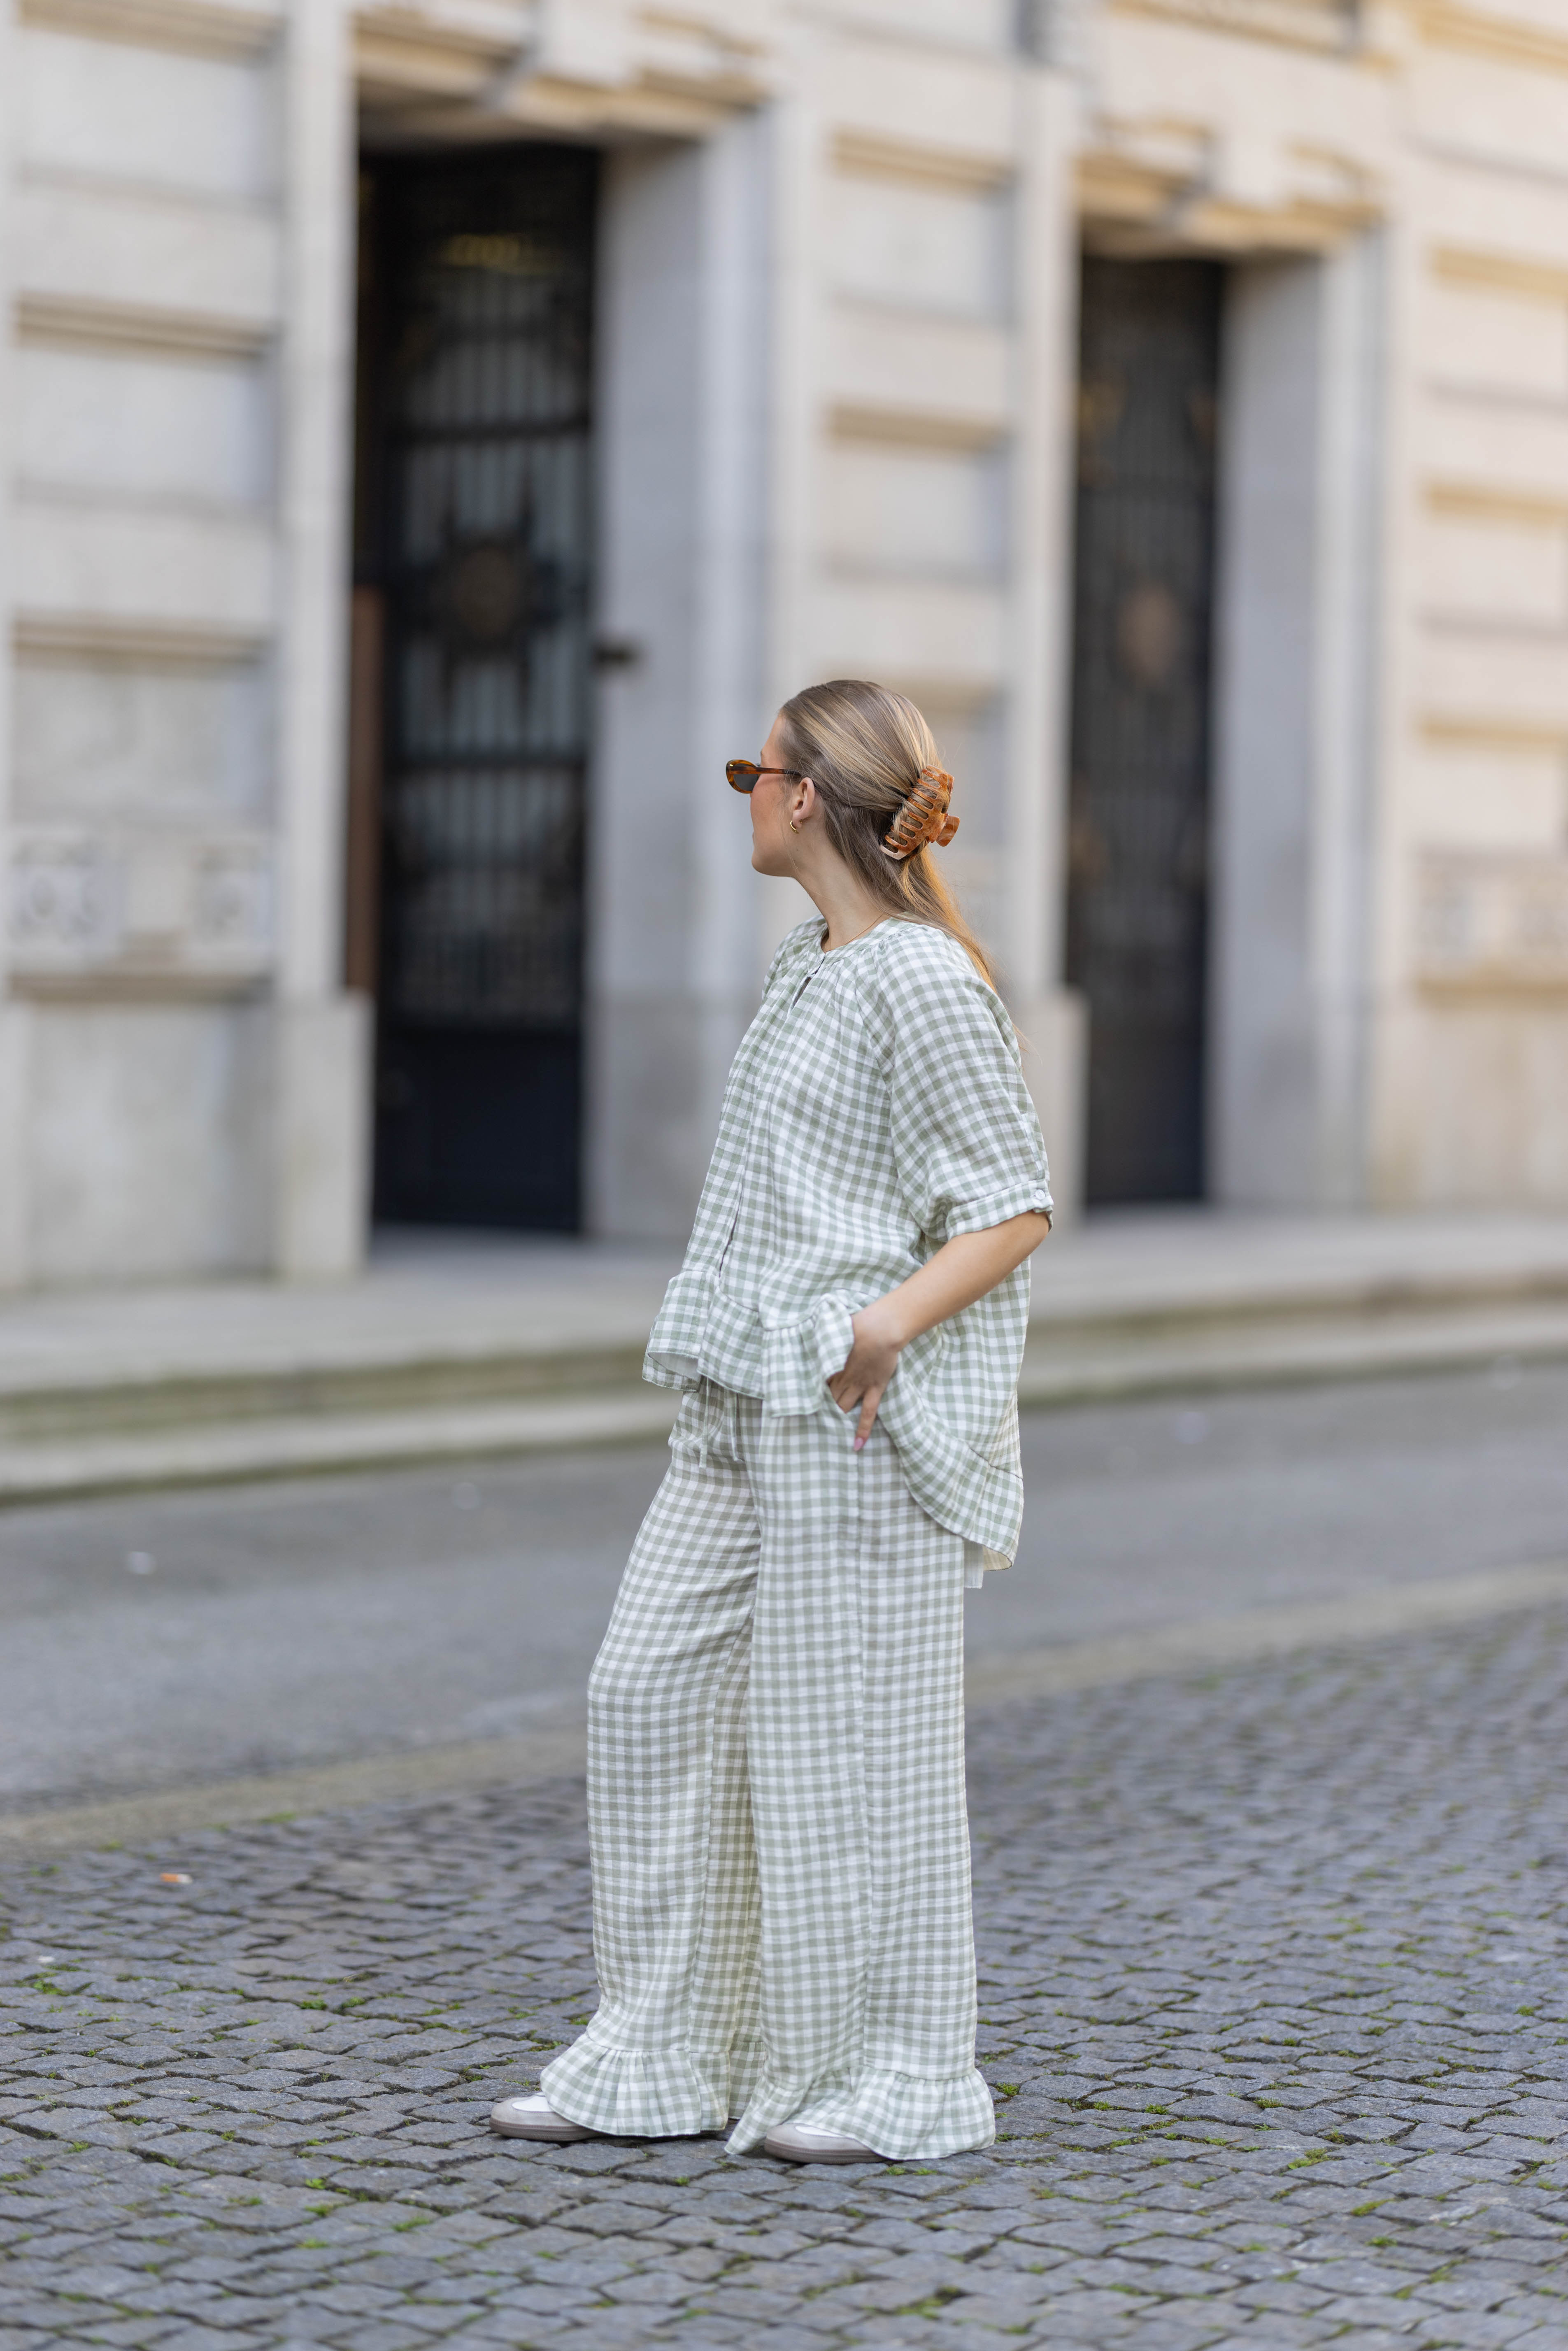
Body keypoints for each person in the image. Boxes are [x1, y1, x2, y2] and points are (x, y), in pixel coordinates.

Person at [491, 679, 1052, 2164]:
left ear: (804, 796)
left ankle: (893, 2076)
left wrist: (884, 1327)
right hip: (741, 1403)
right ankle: (664, 2051)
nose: (745, 793)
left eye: (757, 771)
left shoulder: (922, 979)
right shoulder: (807, 964)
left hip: (852, 1414)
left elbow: (1011, 1207)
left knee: (845, 1749)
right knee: (647, 1696)